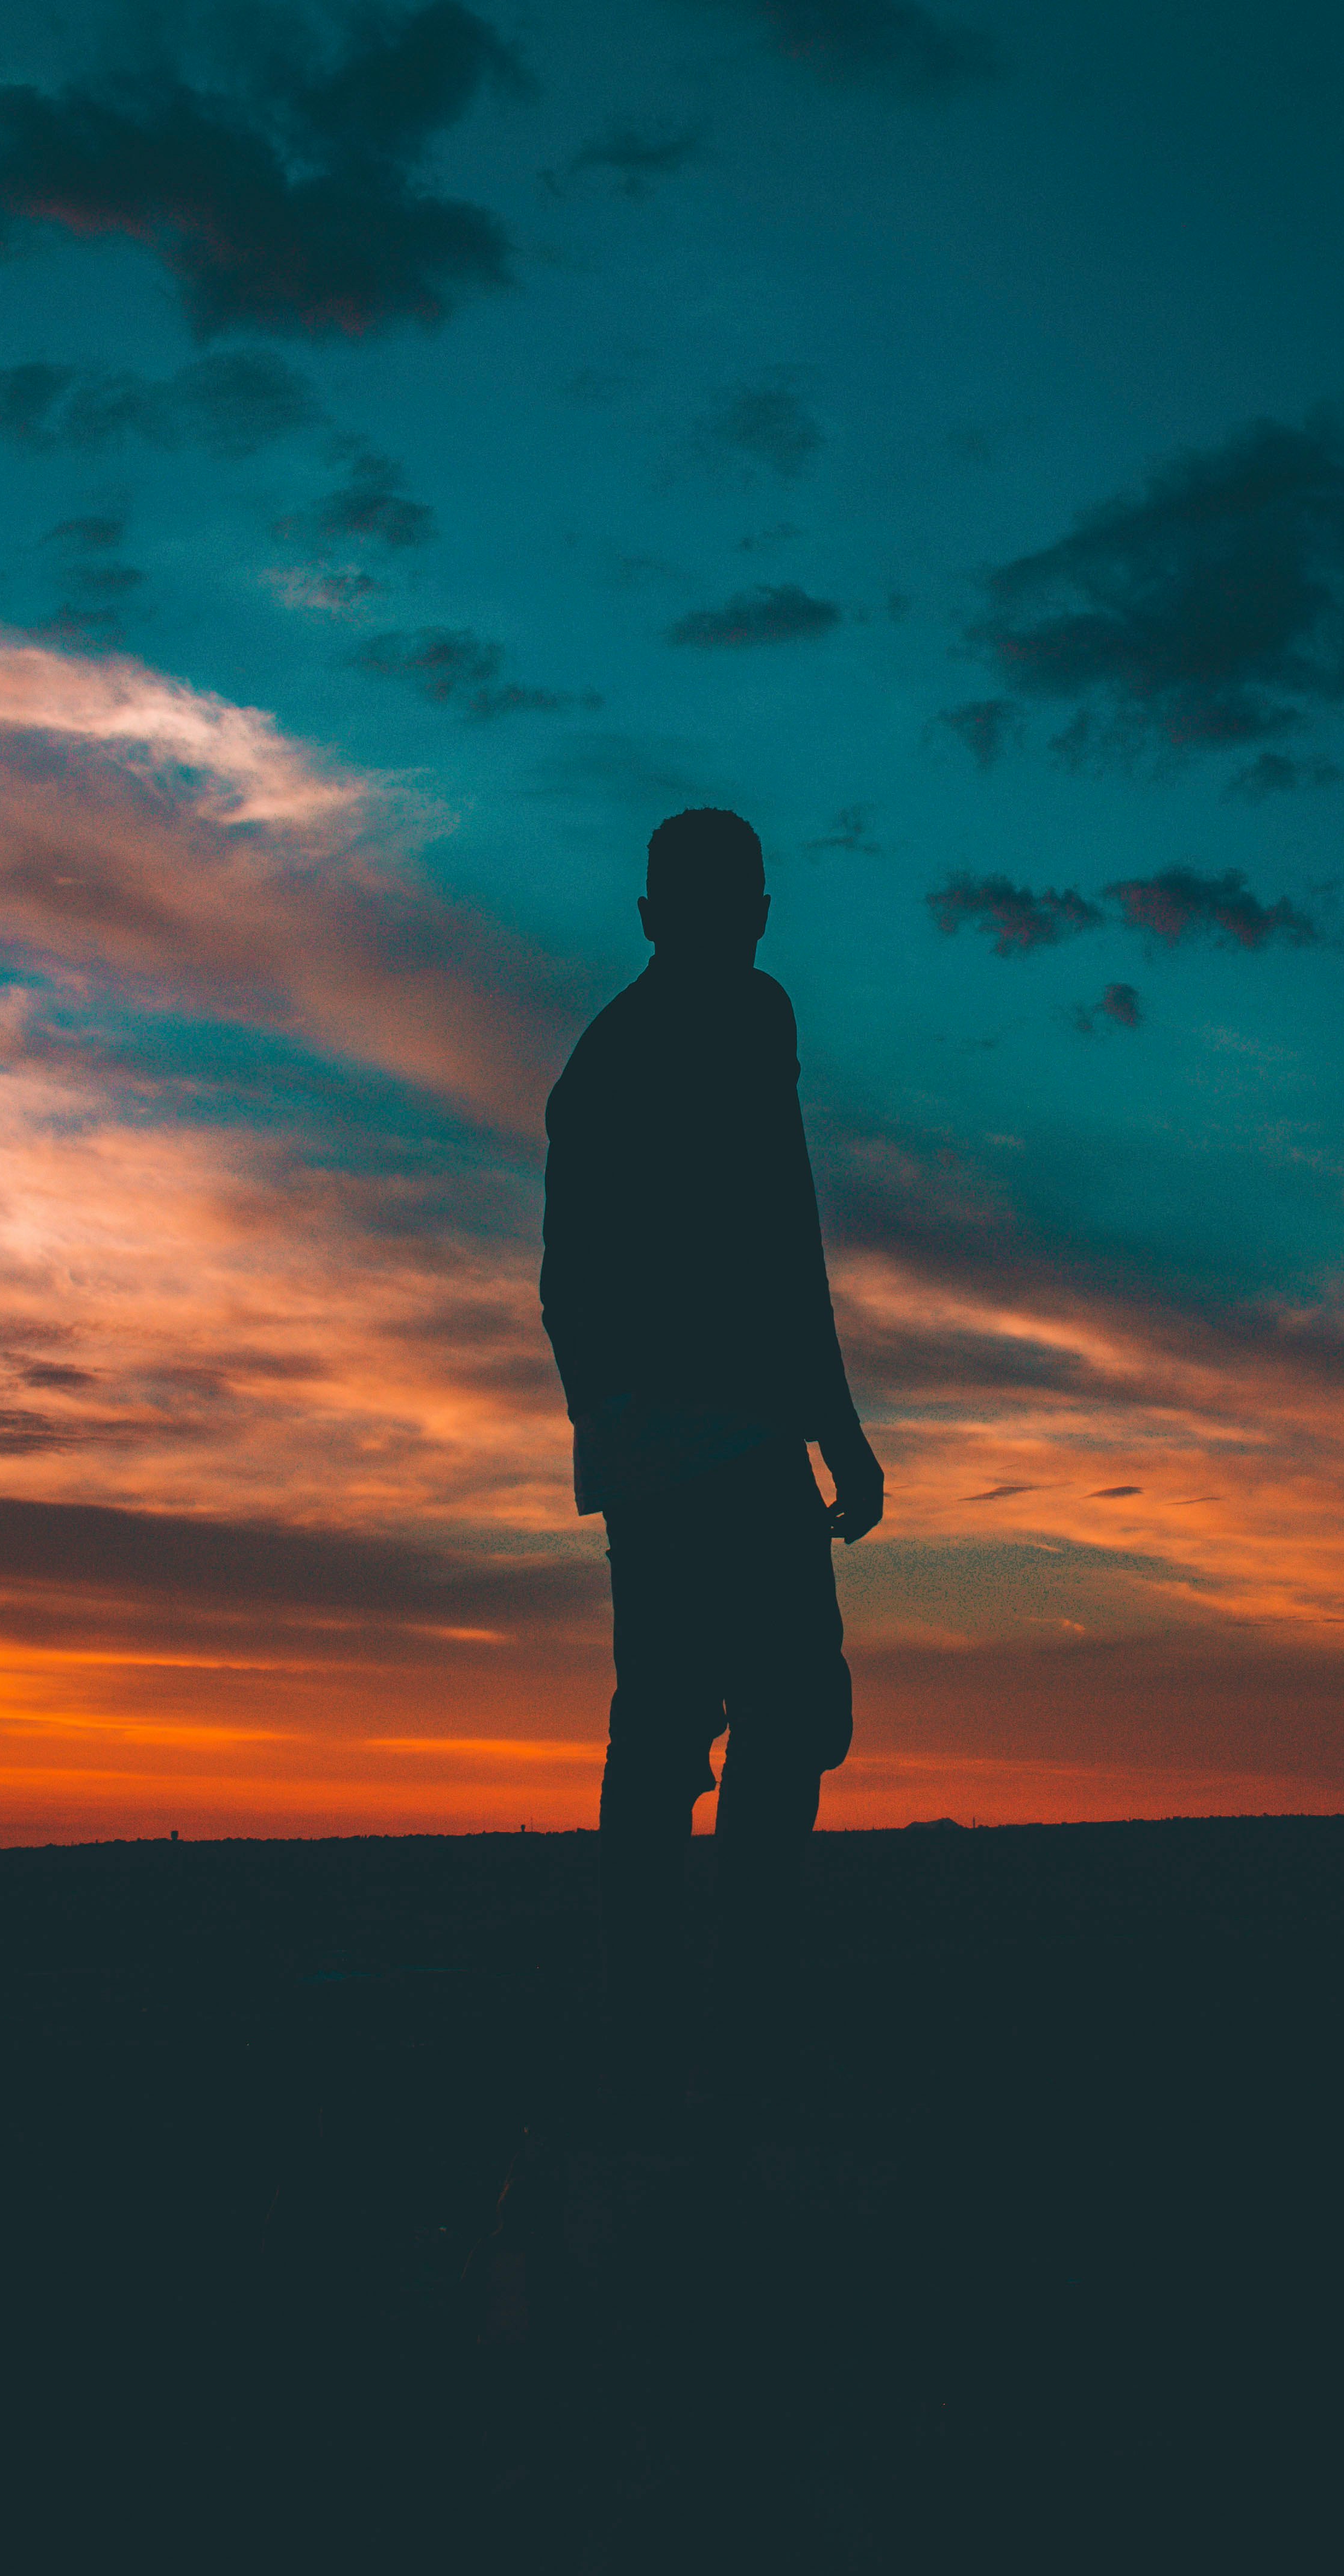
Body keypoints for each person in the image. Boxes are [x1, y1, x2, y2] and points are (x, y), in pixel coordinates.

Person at [541, 807, 883, 2145]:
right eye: (717, 902)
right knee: (703, 1723)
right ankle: (681, 2025)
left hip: (722, 1437)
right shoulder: (622, 1062)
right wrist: (624, 1429)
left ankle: (718, 2009)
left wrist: (825, 1422)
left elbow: (777, 1233)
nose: (740, 924)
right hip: (684, 1447)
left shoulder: (748, 1020)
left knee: (769, 1716)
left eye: (746, 900)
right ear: (655, 920)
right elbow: (587, 1280)